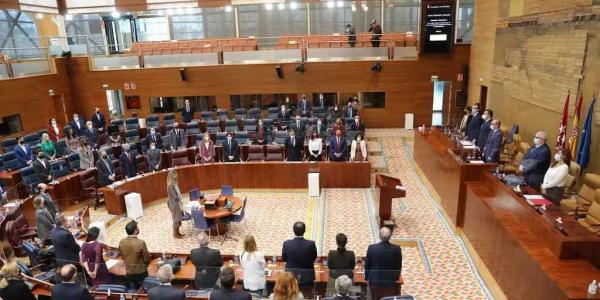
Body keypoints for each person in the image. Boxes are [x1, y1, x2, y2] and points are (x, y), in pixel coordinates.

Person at [365, 227, 402, 300]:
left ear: (379, 236)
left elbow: (367, 265)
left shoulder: (372, 248)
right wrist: (396, 278)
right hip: (390, 282)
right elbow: (398, 266)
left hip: (375, 282)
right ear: (390, 236)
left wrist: (366, 278)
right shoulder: (397, 249)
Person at [282, 222, 317, 291]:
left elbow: (284, 258)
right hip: (307, 278)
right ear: (304, 231)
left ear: (293, 230)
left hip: (290, 277)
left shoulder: (286, 243)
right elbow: (314, 258)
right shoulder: (311, 244)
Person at [118, 220, 150, 289]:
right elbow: (147, 259)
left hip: (129, 272)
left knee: (132, 289)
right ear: (135, 231)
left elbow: (123, 256)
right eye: (137, 228)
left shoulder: (122, 242)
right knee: (144, 289)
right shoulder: (141, 243)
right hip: (141, 272)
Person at [167, 170, 185, 238]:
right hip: (174, 204)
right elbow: (174, 196)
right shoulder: (170, 185)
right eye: (175, 174)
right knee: (176, 219)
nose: (177, 176)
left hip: (177, 203)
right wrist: (180, 199)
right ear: (172, 176)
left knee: (178, 218)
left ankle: (178, 232)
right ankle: (175, 234)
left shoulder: (175, 184)